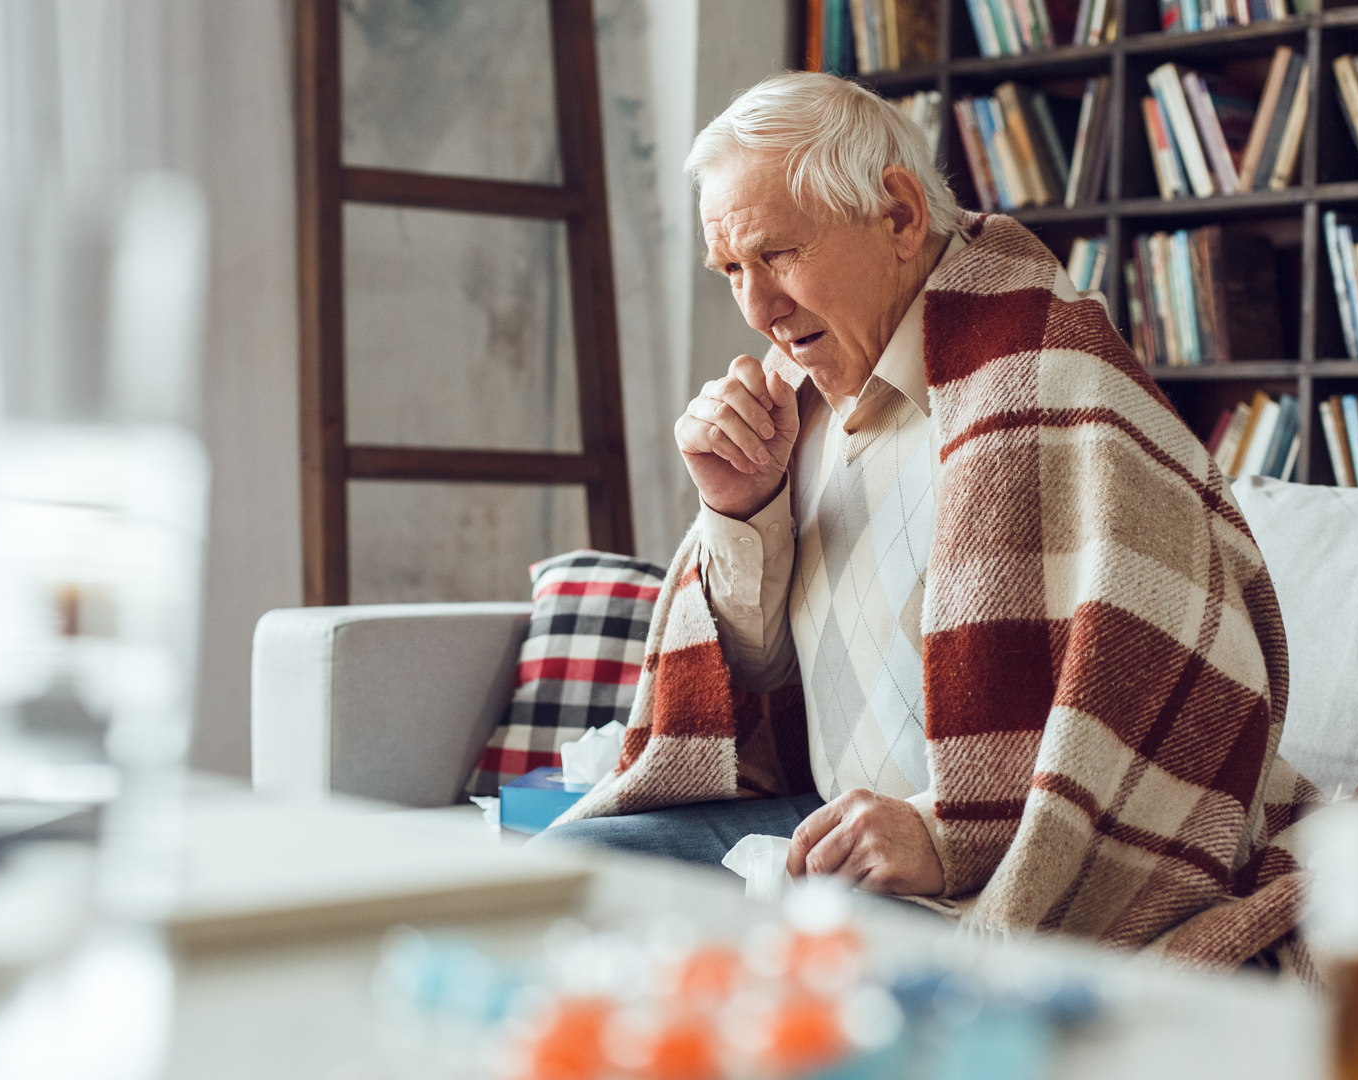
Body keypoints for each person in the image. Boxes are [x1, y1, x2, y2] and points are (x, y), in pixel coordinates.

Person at [540, 72, 1318, 972]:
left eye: (779, 254)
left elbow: (1174, 699)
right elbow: (749, 687)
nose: (757, 308)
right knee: (566, 875)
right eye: (731, 272)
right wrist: (740, 510)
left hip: (1007, 863)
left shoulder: (1058, 386)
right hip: (829, 833)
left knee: (839, 990)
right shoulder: (795, 394)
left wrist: (949, 839)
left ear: (901, 215)